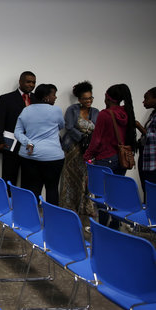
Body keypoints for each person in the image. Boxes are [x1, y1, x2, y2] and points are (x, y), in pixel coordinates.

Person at [14, 84, 65, 205]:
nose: (55, 97)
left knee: (32, 190)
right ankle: (51, 221)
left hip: (30, 156)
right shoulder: (56, 110)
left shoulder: (26, 110)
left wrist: (29, 142)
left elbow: (17, 132)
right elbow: (61, 126)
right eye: (53, 94)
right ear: (46, 97)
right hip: (53, 157)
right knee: (52, 189)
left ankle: (31, 221)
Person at [59, 81, 99, 215]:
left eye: (90, 98)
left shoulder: (96, 112)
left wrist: (90, 141)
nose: (89, 101)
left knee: (85, 178)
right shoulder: (72, 110)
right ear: (79, 99)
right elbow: (69, 127)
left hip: (88, 151)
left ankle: (84, 206)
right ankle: (69, 206)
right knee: (70, 178)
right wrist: (82, 138)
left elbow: (98, 130)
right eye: (86, 98)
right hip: (73, 149)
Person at [0, 71, 37, 188]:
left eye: (33, 82)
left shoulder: (37, 99)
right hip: (11, 145)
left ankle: (24, 204)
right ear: (20, 82)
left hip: (31, 146)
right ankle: (7, 204)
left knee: (29, 179)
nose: (31, 85)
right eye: (28, 82)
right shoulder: (6, 98)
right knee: (9, 178)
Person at [83, 84, 137, 176]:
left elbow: (96, 140)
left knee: (100, 189)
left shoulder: (105, 114)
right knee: (115, 188)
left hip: (105, 158)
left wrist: (87, 156)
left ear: (107, 98)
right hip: (122, 159)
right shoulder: (126, 112)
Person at [137, 87, 156, 200]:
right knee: (146, 190)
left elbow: (153, 137)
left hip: (153, 162)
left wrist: (139, 126)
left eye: (146, 99)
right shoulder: (153, 114)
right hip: (145, 157)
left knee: (152, 192)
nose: (144, 102)